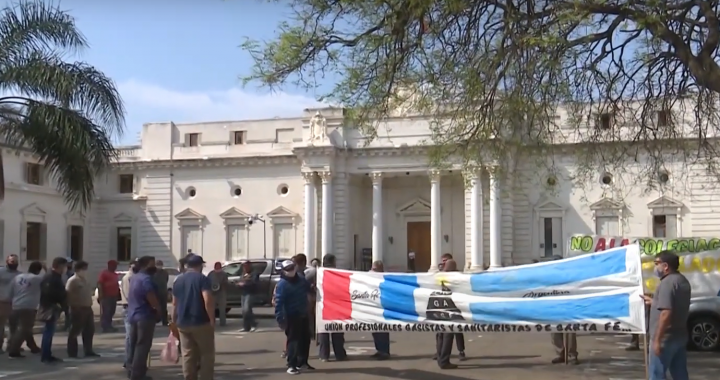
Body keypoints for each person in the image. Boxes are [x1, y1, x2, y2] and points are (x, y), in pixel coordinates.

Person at [645, 250, 690, 380]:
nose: (655, 267)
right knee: (680, 373)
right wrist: (654, 302)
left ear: (665, 266)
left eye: (656, 263)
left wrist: (657, 340)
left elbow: (666, 312)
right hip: (679, 336)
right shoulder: (682, 280)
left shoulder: (667, 283)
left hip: (665, 339)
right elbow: (674, 304)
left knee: (657, 375)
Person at [173, 254, 215, 380]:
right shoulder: (202, 279)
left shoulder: (178, 280)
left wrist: (173, 320)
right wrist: (212, 319)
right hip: (200, 321)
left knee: (187, 354)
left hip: (183, 322)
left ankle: (189, 377)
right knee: (206, 354)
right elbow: (207, 299)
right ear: (200, 265)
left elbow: (174, 303)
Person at [275, 259, 314, 374]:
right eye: (288, 269)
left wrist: (313, 287)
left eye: (292, 268)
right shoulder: (282, 284)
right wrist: (280, 318)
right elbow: (279, 302)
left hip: (303, 313)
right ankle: (291, 364)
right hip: (291, 316)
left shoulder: (301, 279)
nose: (291, 271)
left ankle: (303, 362)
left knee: (305, 339)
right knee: (293, 341)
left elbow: (309, 287)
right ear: (283, 271)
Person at [126, 256, 161, 380]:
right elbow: (150, 295)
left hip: (133, 315)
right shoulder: (146, 279)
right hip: (145, 315)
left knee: (134, 345)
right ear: (146, 265)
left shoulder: (135, 277)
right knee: (142, 346)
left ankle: (131, 370)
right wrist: (157, 310)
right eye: (152, 264)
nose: (154, 267)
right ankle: (137, 374)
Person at [6, 260, 44, 358]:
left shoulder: (17, 277)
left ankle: (33, 347)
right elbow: (48, 280)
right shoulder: (37, 279)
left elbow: (10, 292)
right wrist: (46, 268)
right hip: (29, 307)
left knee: (21, 329)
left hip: (15, 305)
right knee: (25, 328)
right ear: (38, 270)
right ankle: (13, 350)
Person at [434, 259, 464, 369]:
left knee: (440, 335)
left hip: (438, 309)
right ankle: (444, 361)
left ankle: (440, 358)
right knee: (448, 336)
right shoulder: (454, 277)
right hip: (449, 310)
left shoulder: (438, 277)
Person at [317, 254, 347, 362]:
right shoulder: (338, 274)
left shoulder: (319, 273)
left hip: (322, 306)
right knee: (337, 332)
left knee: (323, 332)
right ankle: (339, 354)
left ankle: (324, 355)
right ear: (334, 262)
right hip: (336, 306)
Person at [65, 260, 99, 358]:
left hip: (87, 308)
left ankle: (88, 350)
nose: (85, 271)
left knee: (89, 330)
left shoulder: (85, 280)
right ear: (78, 269)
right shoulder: (72, 280)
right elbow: (68, 294)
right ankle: (72, 352)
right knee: (75, 331)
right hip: (77, 308)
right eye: (83, 269)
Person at [38, 257, 68, 364]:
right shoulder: (51, 277)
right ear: (59, 266)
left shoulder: (55, 276)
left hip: (52, 306)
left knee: (49, 331)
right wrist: (59, 303)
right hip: (50, 307)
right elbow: (49, 292)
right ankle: (45, 355)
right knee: (48, 332)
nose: (66, 268)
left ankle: (47, 354)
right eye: (64, 266)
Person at [0, 254, 21, 353]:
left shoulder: (19, 275)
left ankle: (11, 346)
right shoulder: (1, 272)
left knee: (14, 326)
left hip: (14, 303)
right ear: (7, 261)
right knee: (1, 326)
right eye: (12, 261)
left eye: (16, 262)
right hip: (2, 302)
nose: (14, 263)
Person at [370, 260, 390, 360]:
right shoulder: (370, 277)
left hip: (382, 307)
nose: (371, 271)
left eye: (374, 269)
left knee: (382, 330)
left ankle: (384, 351)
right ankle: (379, 350)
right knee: (375, 330)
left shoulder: (385, 278)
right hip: (373, 306)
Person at [122, 259, 138, 370]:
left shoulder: (134, 277)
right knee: (130, 336)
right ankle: (128, 360)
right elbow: (129, 295)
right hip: (129, 307)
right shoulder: (129, 278)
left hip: (132, 307)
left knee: (133, 336)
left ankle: (131, 360)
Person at [97, 260, 120, 333]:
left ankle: (109, 325)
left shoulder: (115, 274)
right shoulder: (104, 273)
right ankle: (105, 326)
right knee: (106, 311)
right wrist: (101, 295)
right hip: (106, 296)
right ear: (110, 265)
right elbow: (100, 284)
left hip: (113, 296)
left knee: (112, 311)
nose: (115, 267)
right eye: (114, 265)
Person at [237, 261, 258, 332]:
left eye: (246, 266)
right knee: (244, 311)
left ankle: (253, 324)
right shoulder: (243, 274)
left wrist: (245, 284)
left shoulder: (254, 274)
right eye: (244, 266)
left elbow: (254, 283)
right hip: (243, 293)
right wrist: (238, 284)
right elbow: (240, 281)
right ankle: (246, 327)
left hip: (250, 293)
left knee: (247, 309)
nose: (245, 268)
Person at [207, 261, 229, 327]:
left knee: (222, 308)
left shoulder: (224, 274)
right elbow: (207, 282)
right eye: (216, 267)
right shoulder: (211, 274)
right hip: (212, 293)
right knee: (212, 308)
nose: (218, 268)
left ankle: (223, 322)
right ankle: (212, 321)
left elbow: (226, 283)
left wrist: (221, 285)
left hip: (221, 293)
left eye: (219, 267)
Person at [153, 260, 170, 326]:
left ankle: (164, 321)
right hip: (156, 292)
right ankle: (156, 320)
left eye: (160, 264)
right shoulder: (154, 273)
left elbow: (166, 280)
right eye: (158, 264)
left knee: (164, 307)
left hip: (163, 292)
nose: (160, 266)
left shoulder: (165, 272)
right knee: (156, 307)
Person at [61, 258, 75, 331]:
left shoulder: (72, 273)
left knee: (68, 311)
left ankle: (68, 325)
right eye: (69, 263)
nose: (70, 265)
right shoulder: (62, 272)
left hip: (69, 294)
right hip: (61, 293)